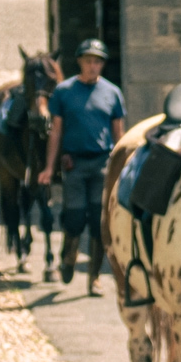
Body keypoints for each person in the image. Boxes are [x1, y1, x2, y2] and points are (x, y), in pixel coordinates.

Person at [39, 39, 126, 295]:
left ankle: (95, 277)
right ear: (79, 62)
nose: (92, 66)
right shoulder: (64, 92)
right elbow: (56, 131)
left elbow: (119, 134)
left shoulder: (112, 93)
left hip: (102, 163)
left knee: (100, 223)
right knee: (74, 216)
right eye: (88, 61)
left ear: (102, 64)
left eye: (97, 61)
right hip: (73, 164)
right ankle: (69, 256)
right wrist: (48, 167)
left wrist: (122, 168)